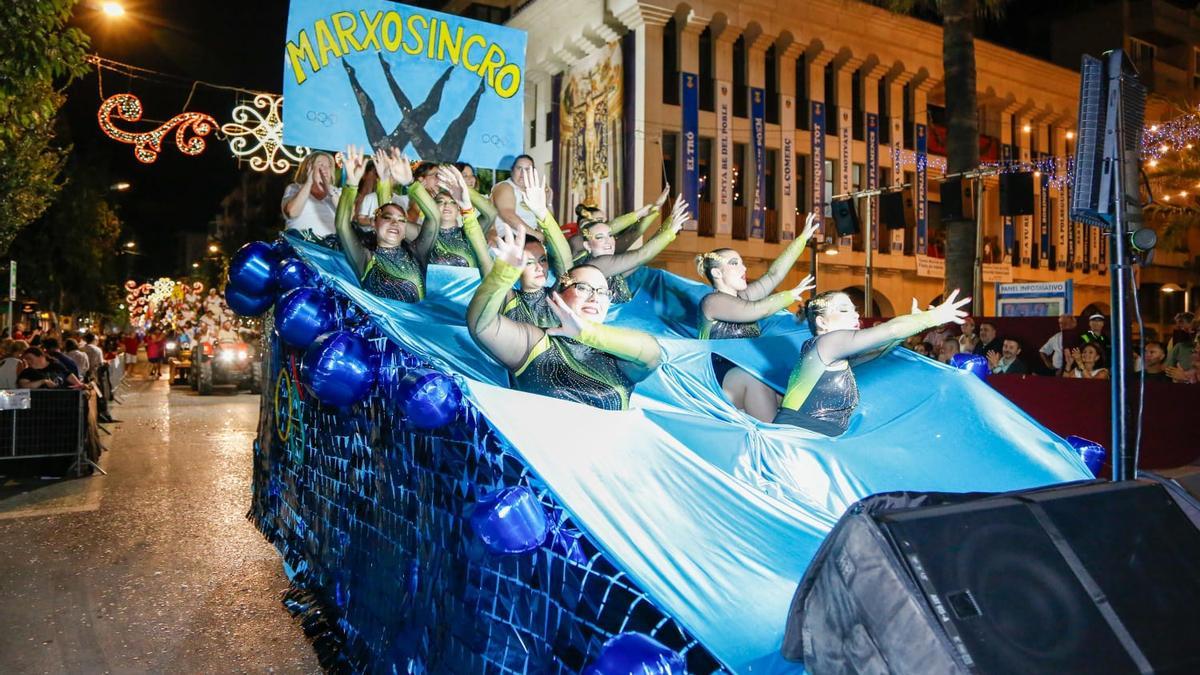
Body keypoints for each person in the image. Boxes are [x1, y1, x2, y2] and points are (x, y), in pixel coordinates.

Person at [467, 222, 663, 411]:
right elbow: (481, 326)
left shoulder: (617, 354)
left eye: (603, 292)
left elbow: (652, 354)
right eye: (584, 288)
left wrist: (586, 333)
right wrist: (502, 274)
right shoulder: (537, 344)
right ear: (557, 294)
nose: (595, 297)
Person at [774, 290, 971, 436]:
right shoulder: (826, 343)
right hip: (796, 445)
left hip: (813, 445)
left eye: (855, 310)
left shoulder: (835, 357)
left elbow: (880, 348)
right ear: (822, 323)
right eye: (844, 310)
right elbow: (891, 331)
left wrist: (913, 323)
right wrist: (931, 317)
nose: (856, 315)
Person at [459, 167, 570, 328]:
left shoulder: (558, 294)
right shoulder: (508, 298)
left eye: (543, 260)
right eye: (529, 262)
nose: (540, 268)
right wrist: (467, 211)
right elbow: (483, 256)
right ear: (515, 268)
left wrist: (542, 213)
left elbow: (564, 257)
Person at [336, 146, 439, 303]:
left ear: (405, 230)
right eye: (387, 218)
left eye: (401, 220)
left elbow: (434, 219)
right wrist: (351, 184)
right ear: (374, 225)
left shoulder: (417, 253)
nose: (394, 223)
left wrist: (410, 183)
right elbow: (342, 226)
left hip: (416, 326)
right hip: (379, 327)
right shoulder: (366, 258)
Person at [696, 213, 820, 340]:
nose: (744, 268)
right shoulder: (711, 302)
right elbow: (757, 310)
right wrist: (789, 295)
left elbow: (773, 275)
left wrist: (802, 239)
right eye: (734, 263)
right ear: (717, 273)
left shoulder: (743, 297)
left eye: (742, 263)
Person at [281, 151, 340, 244]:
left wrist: (331, 191)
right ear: (309, 167)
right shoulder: (294, 188)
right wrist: (309, 182)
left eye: (328, 166)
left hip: (329, 250)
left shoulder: (337, 192)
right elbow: (292, 212)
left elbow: (350, 218)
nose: (325, 169)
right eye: (321, 165)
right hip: (299, 247)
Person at [490, 155, 546, 241]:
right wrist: (536, 235)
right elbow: (508, 216)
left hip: (531, 239)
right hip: (510, 238)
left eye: (527, 169)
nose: (523, 174)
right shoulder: (505, 187)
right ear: (512, 171)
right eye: (519, 168)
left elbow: (544, 219)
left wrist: (548, 202)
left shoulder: (532, 191)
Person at [17, 347, 84, 389]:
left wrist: (79, 385)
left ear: (41, 357)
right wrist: (43, 382)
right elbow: (24, 386)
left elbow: (68, 374)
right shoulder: (27, 372)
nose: (27, 361)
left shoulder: (56, 365)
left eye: (29, 358)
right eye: (25, 359)